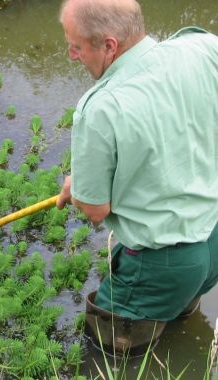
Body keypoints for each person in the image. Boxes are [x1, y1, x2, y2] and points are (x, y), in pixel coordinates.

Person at [57, 0, 218, 331]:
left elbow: (95, 209)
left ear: (109, 46)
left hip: (164, 263)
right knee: (179, 315)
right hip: (213, 234)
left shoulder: (99, 109)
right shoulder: (203, 47)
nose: (72, 55)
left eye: (76, 46)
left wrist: (82, 188)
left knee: (108, 350)